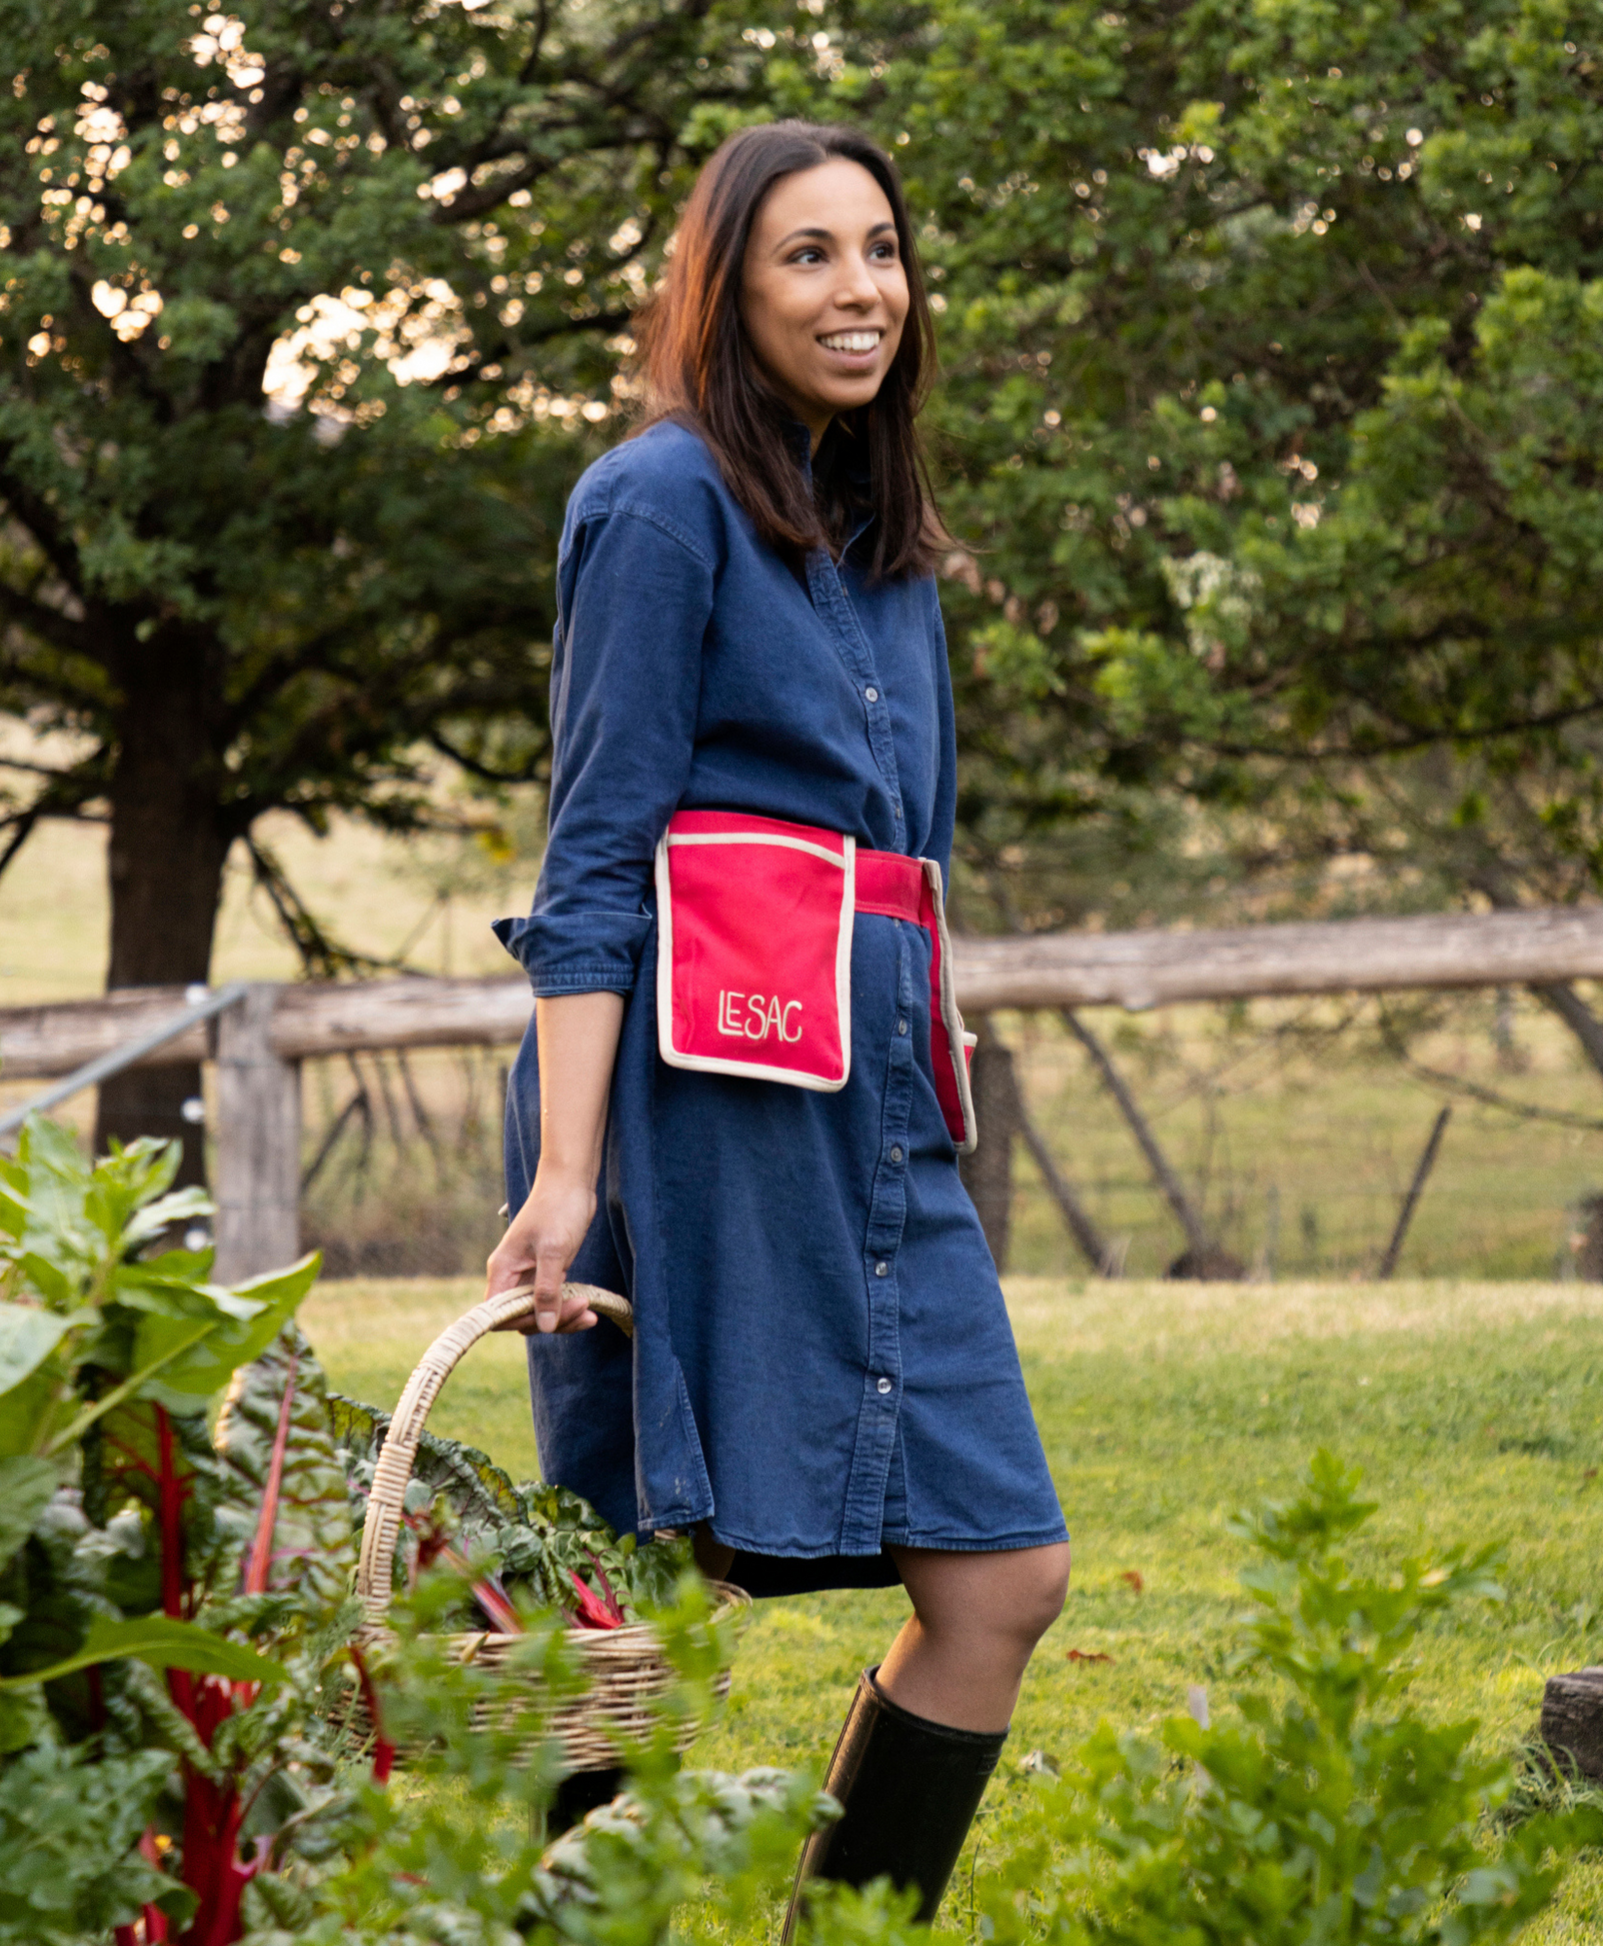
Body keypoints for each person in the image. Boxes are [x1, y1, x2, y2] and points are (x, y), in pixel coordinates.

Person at [486, 119, 1069, 1926]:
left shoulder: (888, 544)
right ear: (725, 287)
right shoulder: (655, 502)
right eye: (806, 254)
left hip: (869, 1106)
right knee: (662, 1574)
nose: (858, 289)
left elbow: (915, 868)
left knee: (1001, 1577)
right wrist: (570, 1173)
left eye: (880, 250)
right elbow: (595, 865)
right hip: (697, 1099)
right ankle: (474, 1905)